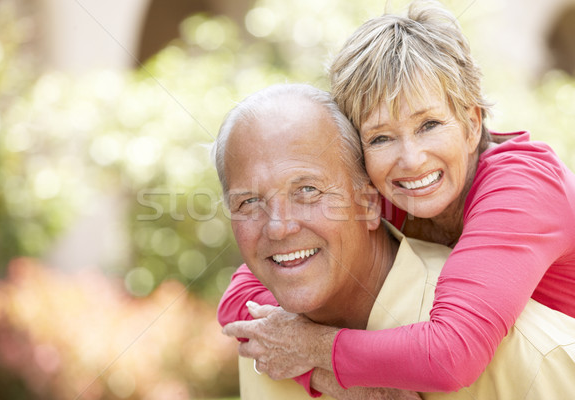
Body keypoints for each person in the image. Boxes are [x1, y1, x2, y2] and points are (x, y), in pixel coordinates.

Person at [217, 0, 575, 395]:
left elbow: (450, 356)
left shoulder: (522, 188)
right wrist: (331, 379)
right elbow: (241, 296)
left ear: (472, 124)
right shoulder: (387, 189)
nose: (411, 159)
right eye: (381, 137)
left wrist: (314, 347)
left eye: (429, 124)